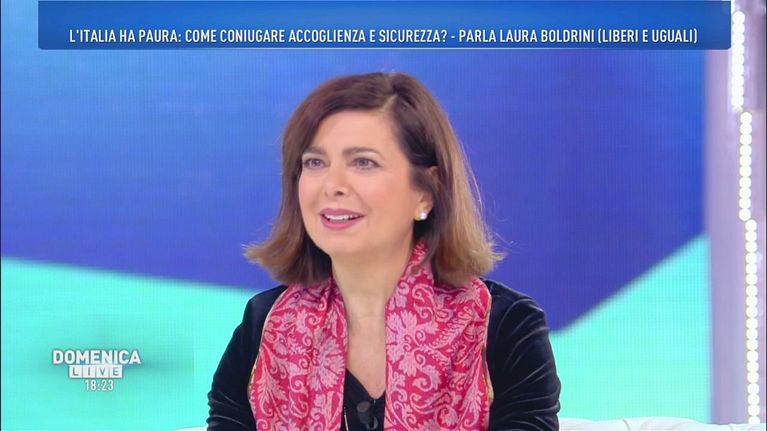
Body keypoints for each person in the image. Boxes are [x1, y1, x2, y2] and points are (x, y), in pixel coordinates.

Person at [207, 72, 560, 430]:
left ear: (426, 192)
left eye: (364, 162)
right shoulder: (263, 325)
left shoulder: (506, 328)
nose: (333, 185)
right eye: (315, 162)